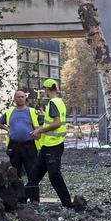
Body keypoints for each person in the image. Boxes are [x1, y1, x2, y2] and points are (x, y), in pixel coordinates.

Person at [29, 78, 78, 209]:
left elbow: (56, 123)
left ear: (47, 89)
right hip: (49, 146)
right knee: (34, 175)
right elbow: (56, 119)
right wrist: (44, 115)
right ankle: (22, 201)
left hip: (53, 146)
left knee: (54, 176)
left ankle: (68, 204)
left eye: (44, 89)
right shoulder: (60, 102)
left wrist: (39, 129)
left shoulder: (52, 103)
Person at [0, 91, 40, 199]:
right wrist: (7, 129)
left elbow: (42, 125)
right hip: (14, 146)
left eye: (22, 97)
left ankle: (34, 200)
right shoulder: (10, 112)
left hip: (29, 146)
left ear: (25, 98)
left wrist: (38, 132)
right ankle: (17, 199)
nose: (20, 99)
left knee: (32, 173)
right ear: (14, 99)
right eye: (18, 97)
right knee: (14, 174)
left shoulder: (32, 111)